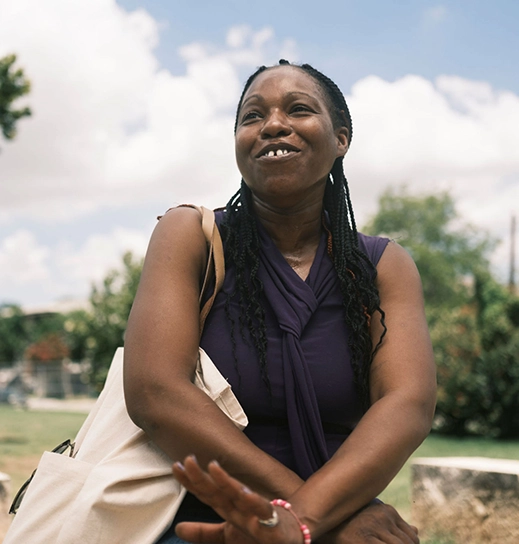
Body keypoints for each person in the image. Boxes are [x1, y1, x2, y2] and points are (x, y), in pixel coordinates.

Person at [123, 59, 436, 544]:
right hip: (204, 516)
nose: (272, 125)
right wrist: (306, 519)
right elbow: (156, 394)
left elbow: (407, 404)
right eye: (252, 117)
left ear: (341, 140)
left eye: (298, 109)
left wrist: (307, 519)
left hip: (334, 511)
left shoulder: (382, 265)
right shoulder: (191, 236)